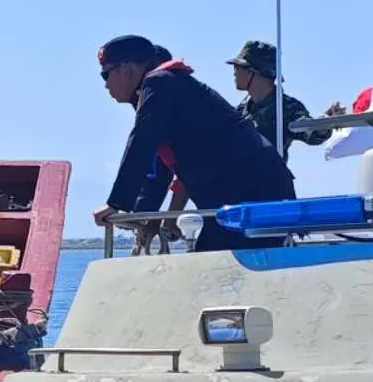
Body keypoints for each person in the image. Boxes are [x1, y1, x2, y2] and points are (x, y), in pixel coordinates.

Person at [92, 34, 298, 252]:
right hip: (240, 195)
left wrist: (116, 203)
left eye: (106, 74)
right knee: (211, 260)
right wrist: (142, 214)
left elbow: (141, 143)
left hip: (253, 195)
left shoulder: (159, 83)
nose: (105, 85)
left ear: (126, 71)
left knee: (218, 263)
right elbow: (160, 167)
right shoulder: (169, 88)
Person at [227, 40, 330, 153]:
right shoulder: (240, 111)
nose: (234, 72)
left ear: (252, 71)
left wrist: (322, 125)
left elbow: (308, 131)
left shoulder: (286, 107)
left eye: (237, 67)